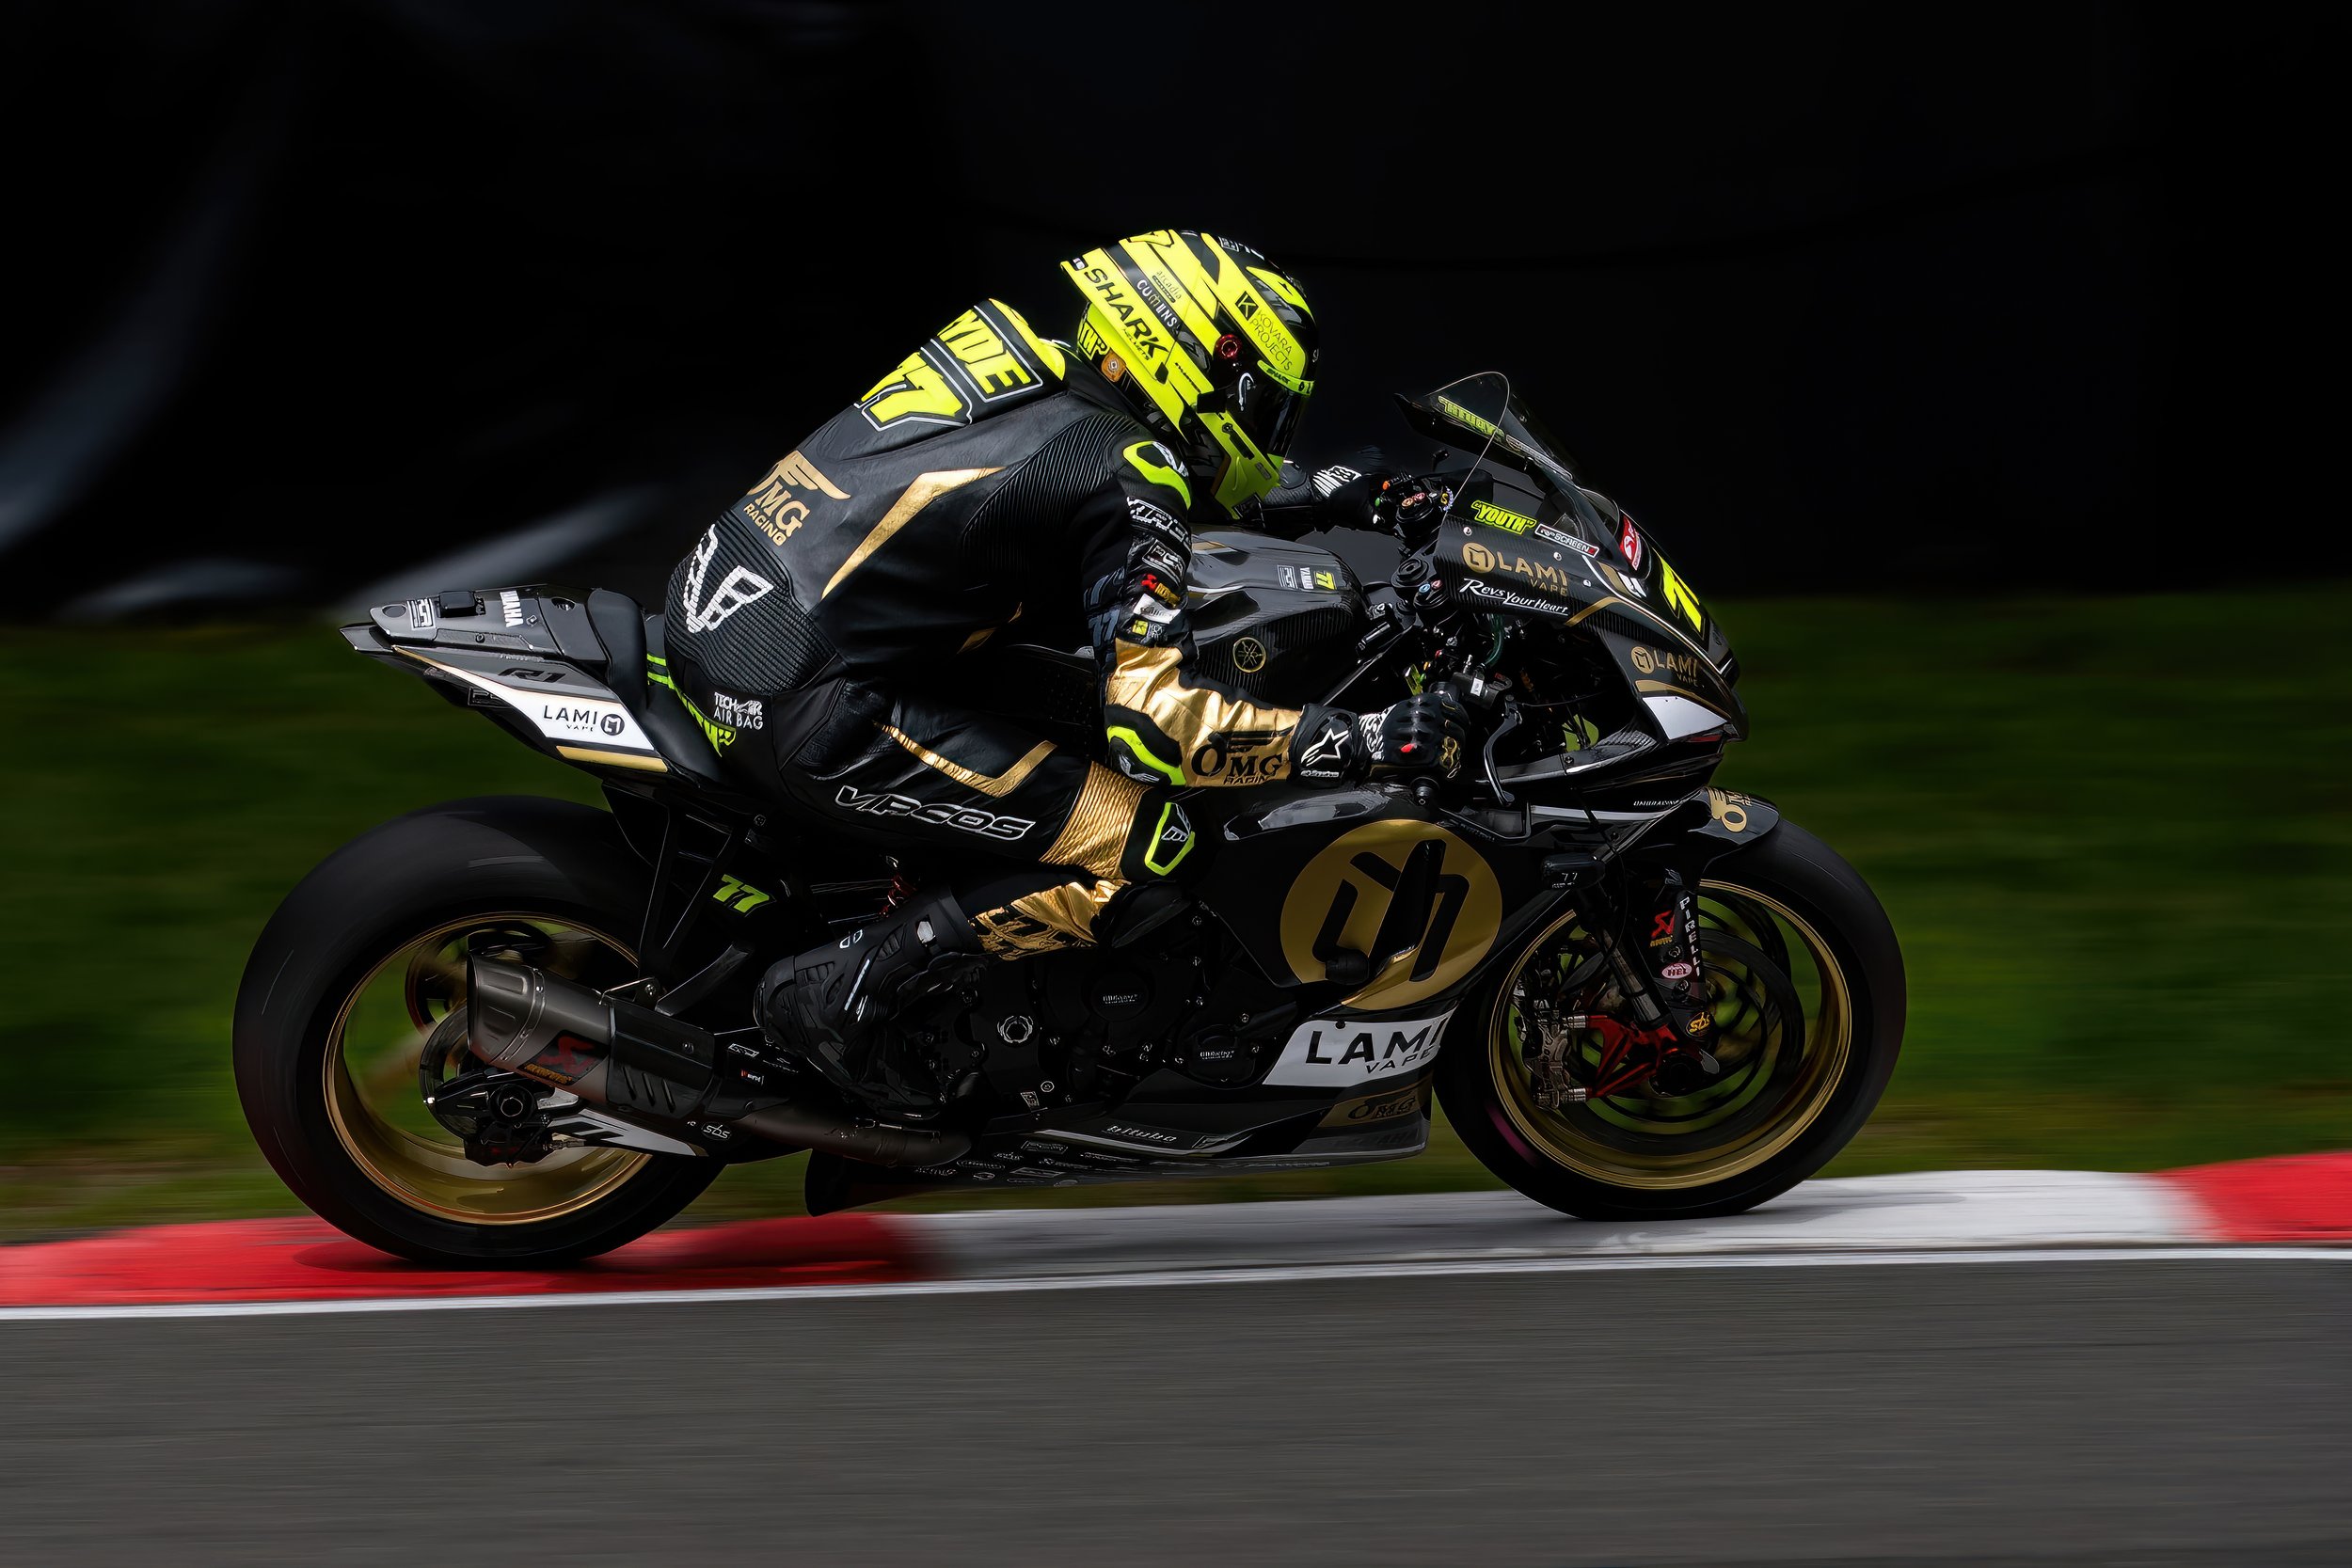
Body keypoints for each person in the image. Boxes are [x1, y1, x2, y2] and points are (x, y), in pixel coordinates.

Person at [657, 229, 1467, 1111]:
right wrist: (1360, 738)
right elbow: (1156, 728)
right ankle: (845, 990)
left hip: (728, 608)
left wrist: (1320, 492)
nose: (1265, 431)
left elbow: (1058, 487)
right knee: (1156, 842)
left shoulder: (1019, 356)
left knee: (1065, 717)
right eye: (1261, 404)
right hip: (806, 696)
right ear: (1202, 358)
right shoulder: (1129, 466)